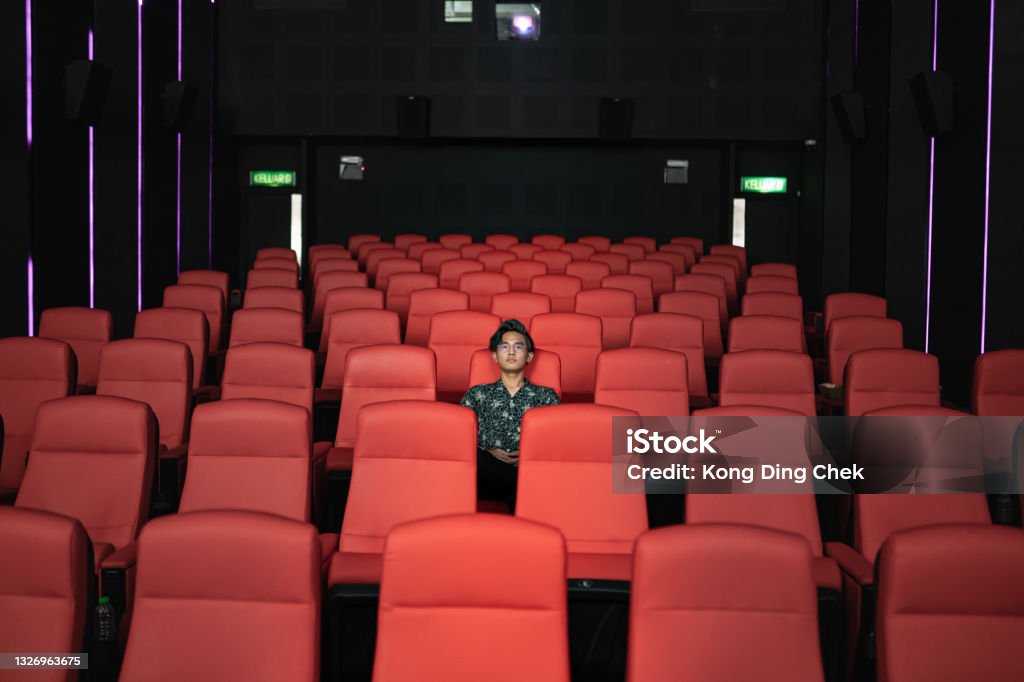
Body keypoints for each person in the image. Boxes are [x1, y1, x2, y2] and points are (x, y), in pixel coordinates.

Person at [459, 319, 560, 509]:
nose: (511, 352)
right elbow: (459, 440)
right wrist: (488, 452)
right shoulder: (477, 394)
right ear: (496, 356)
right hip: (485, 473)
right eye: (504, 347)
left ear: (529, 356)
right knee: (473, 458)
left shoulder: (546, 396)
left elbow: (556, 440)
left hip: (531, 471)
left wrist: (528, 456)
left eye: (518, 347)